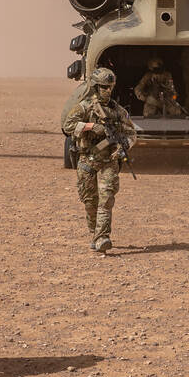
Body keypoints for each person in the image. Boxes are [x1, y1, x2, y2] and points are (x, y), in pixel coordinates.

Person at [62, 67, 138, 252]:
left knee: (106, 199)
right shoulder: (84, 107)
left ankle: (102, 236)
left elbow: (131, 132)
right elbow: (67, 125)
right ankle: (94, 232)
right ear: (95, 87)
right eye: (104, 87)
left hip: (108, 161)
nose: (107, 90)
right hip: (87, 159)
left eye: (110, 87)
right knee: (90, 200)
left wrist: (123, 147)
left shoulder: (118, 111)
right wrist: (90, 127)